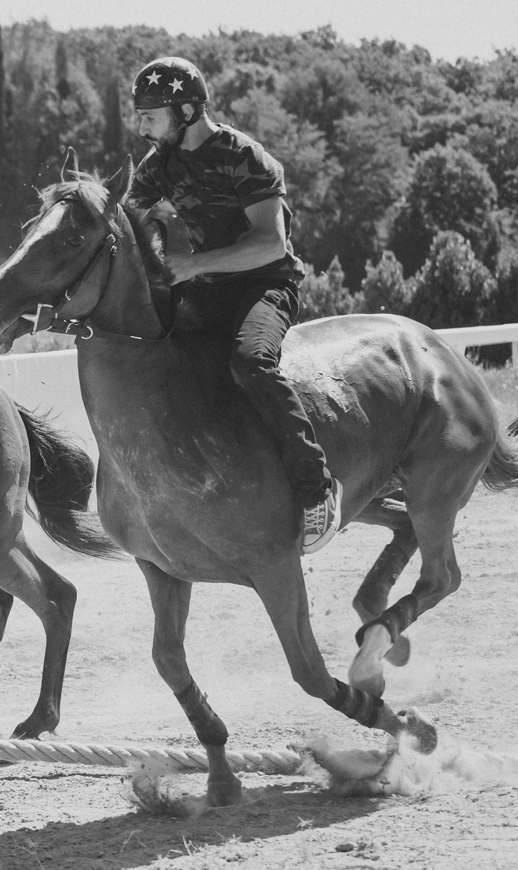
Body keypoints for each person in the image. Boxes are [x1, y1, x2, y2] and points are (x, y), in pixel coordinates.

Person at [125, 56, 344, 554]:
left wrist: (192, 264)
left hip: (267, 284)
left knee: (250, 362)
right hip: (209, 288)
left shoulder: (246, 155)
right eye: (139, 116)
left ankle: (316, 489)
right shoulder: (158, 165)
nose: (141, 127)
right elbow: (129, 225)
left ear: (185, 109)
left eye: (150, 115)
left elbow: (271, 244)